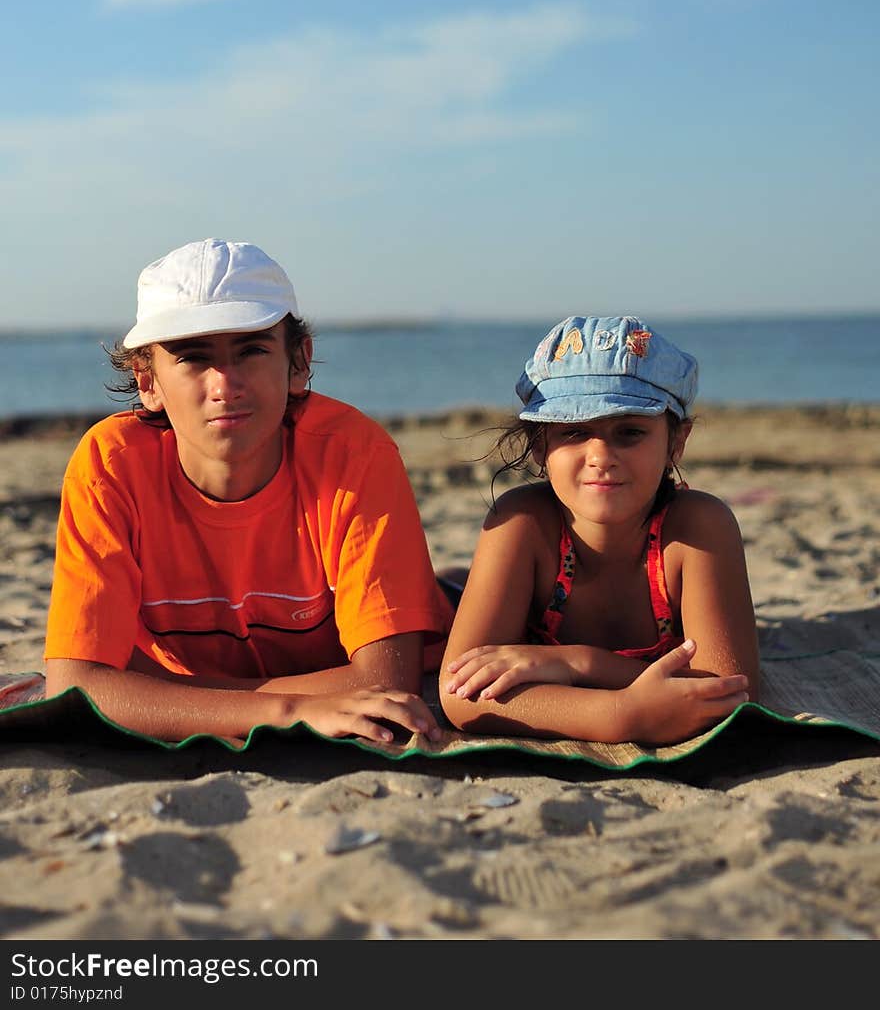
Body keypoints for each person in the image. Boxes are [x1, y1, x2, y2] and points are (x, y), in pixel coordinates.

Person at [44, 238, 454, 745]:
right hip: (292, 685)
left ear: (298, 361)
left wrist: (165, 693)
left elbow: (383, 682)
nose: (224, 384)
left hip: (437, 638)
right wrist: (288, 710)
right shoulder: (110, 465)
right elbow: (76, 690)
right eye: (193, 358)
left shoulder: (354, 454)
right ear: (147, 381)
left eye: (251, 351)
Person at [440, 315, 759, 746]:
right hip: (462, 600)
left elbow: (728, 690)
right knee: (442, 595)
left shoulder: (696, 528)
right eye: (574, 431)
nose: (601, 456)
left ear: (675, 442)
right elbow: (458, 695)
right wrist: (621, 715)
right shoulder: (522, 523)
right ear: (539, 446)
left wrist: (574, 664)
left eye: (629, 432)